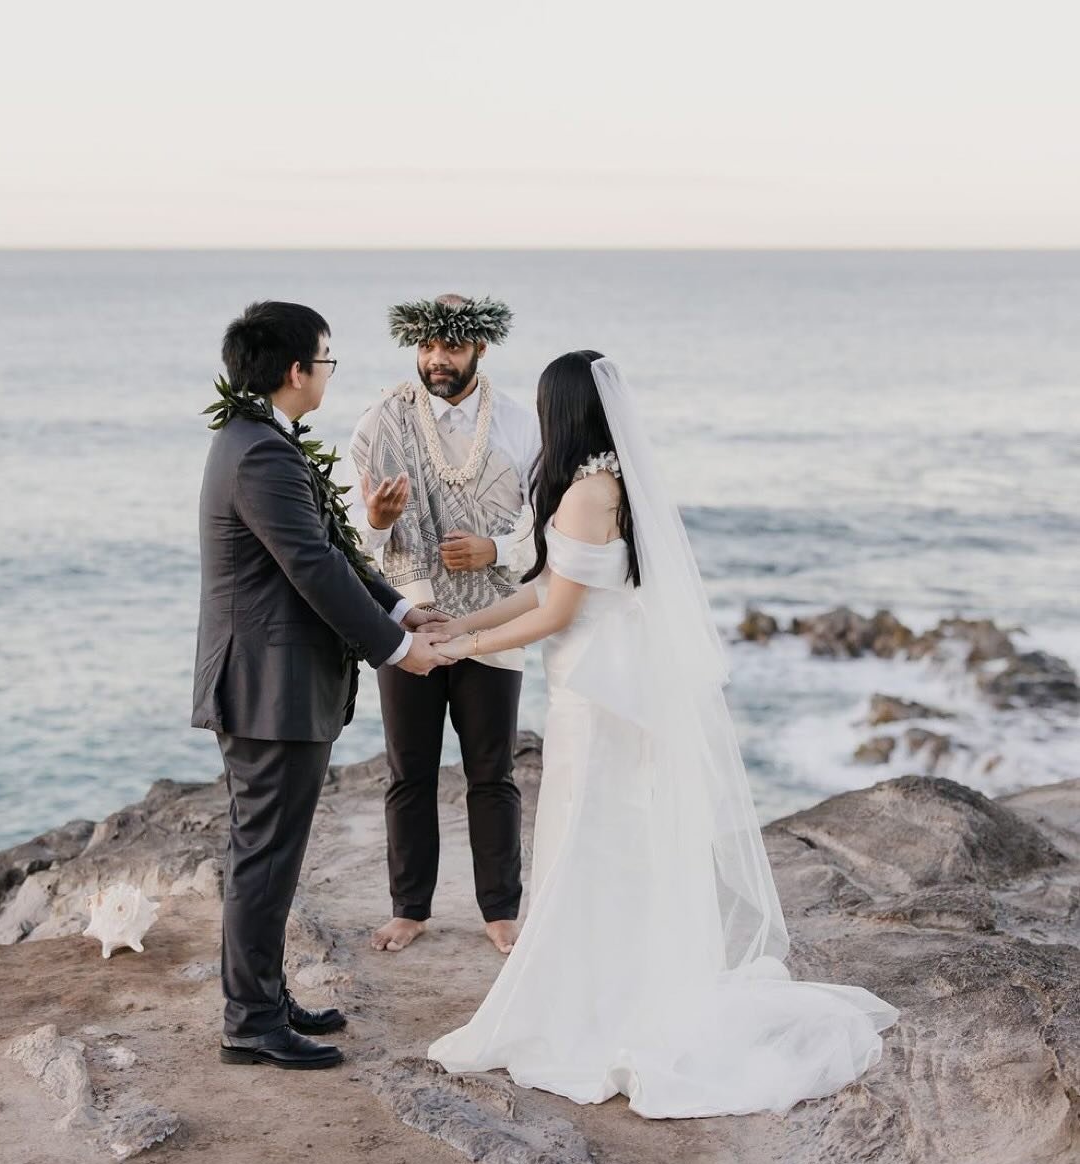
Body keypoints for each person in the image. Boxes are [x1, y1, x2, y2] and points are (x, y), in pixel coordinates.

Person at [423, 351, 900, 1118]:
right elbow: (542, 588)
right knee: (601, 839)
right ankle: (607, 981)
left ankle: (600, 1004)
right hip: (597, 685)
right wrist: (465, 623)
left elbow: (558, 613)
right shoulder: (605, 484)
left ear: (561, 410)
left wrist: (455, 649)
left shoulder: (586, 492)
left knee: (590, 839)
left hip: (595, 696)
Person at [192, 301, 451, 1070]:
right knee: (263, 854)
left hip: (276, 682)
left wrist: (402, 605)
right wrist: (396, 648)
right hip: (266, 686)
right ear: (296, 370)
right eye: (327, 359)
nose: (330, 374)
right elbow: (312, 567)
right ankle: (250, 1019)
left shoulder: (258, 440)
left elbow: (332, 547)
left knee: (270, 851)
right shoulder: (261, 454)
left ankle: (263, 997)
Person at [349, 293, 541, 955]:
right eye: (426, 347)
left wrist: (496, 551)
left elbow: (547, 530)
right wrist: (376, 520)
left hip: (492, 622)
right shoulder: (379, 425)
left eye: (450, 347)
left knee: (492, 770)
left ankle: (500, 910)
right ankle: (410, 908)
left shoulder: (520, 425)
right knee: (409, 770)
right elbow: (343, 544)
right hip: (408, 623)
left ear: (479, 348)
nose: (435, 360)